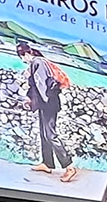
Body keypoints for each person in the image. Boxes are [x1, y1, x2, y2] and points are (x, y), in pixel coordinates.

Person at [17, 42, 77, 183]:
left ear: (26, 54)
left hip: (48, 104)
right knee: (44, 134)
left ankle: (69, 166)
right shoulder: (38, 63)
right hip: (48, 103)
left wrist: (33, 102)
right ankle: (47, 163)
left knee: (50, 134)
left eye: (22, 57)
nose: (22, 60)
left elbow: (40, 86)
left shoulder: (37, 63)